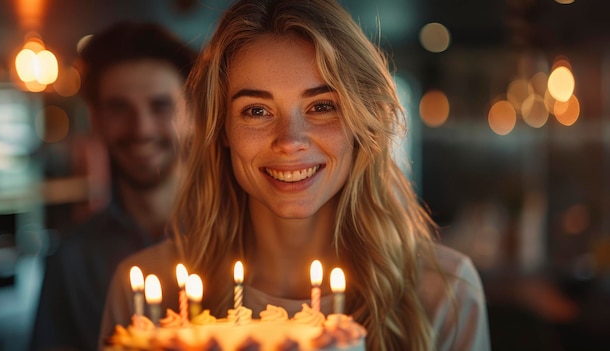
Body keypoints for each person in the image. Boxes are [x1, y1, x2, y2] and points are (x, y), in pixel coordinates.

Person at [99, 1, 491, 350]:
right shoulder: (148, 291)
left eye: (322, 106)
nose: (290, 141)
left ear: (362, 124)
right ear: (221, 130)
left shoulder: (446, 291)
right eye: (256, 111)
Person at [30, 21, 197, 351]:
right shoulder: (70, 260)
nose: (141, 128)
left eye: (161, 106)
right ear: (96, 118)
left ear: (193, 113)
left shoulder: (243, 238)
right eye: (119, 107)